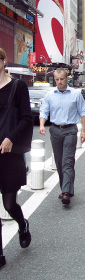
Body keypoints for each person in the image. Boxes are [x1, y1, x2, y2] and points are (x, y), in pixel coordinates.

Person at [0, 47, 33, 267]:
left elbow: (26, 118)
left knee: (9, 204)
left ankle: (22, 224)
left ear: (3, 61)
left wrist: (11, 138)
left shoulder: (18, 87)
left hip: (9, 154)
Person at [40, 68, 85, 206]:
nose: (59, 82)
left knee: (67, 161)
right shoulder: (49, 95)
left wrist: (83, 131)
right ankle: (66, 189)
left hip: (70, 131)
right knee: (60, 162)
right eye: (57, 79)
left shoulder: (76, 94)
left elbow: (83, 112)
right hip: (55, 131)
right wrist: (42, 125)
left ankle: (66, 192)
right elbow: (44, 111)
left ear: (67, 79)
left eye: (62, 79)